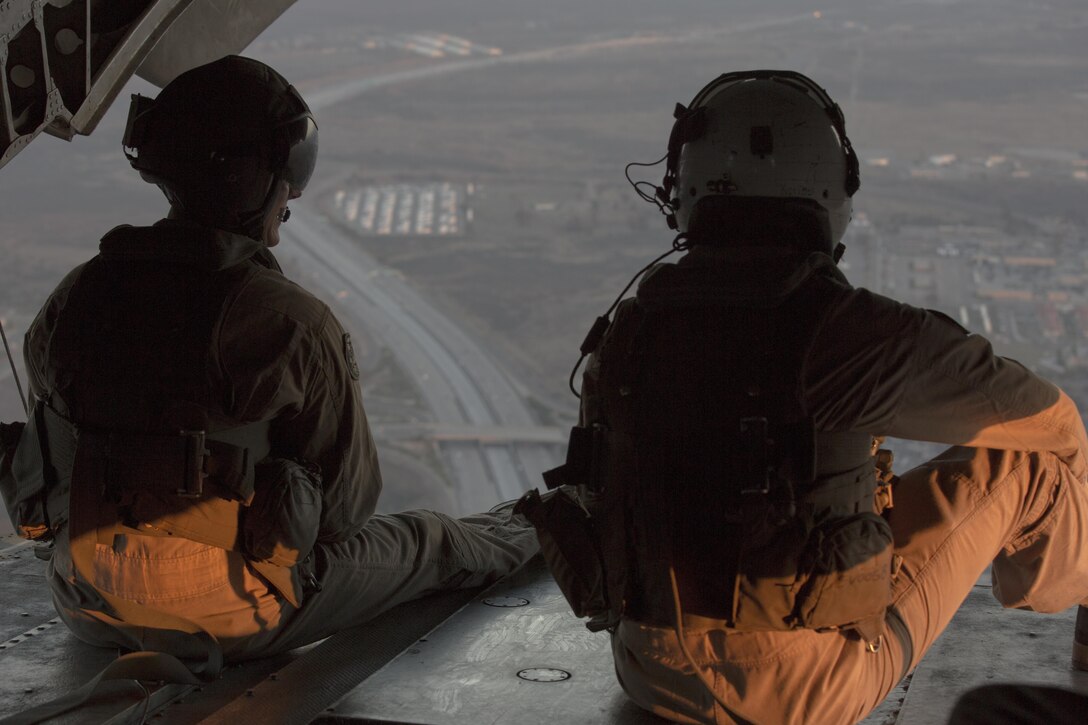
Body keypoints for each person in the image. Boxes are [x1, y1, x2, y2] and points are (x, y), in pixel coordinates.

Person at [520, 70, 1088, 724]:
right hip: (798, 695)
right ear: (830, 189)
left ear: (685, 192)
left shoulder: (627, 332)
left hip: (648, 671)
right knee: (1032, 460)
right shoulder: (849, 331)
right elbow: (1049, 419)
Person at [3, 55, 537, 669]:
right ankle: (540, 530)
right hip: (231, 616)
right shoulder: (288, 320)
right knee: (430, 539)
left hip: (85, 600)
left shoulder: (78, 294)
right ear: (253, 181)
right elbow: (345, 511)